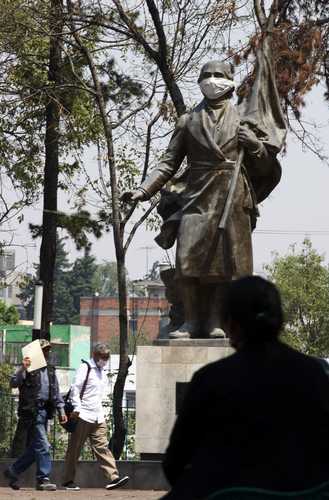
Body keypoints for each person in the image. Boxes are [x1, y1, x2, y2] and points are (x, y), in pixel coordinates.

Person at [122, 61, 283, 339]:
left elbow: (267, 166)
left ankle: (216, 322)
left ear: (229, 82)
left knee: (224, 265)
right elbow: (168, 163)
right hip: (197, 196)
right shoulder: (188, 121)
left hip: (232, 197)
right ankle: (190, 321)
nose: (211, 80)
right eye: (206, 76)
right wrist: (143, 191)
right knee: (188, 262)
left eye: (217, 75)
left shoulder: (244, 120)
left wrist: (254, 144)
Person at [161, 276, 329, 499]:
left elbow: (174, 463)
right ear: (280, 321)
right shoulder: (316, 373)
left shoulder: (210, 380)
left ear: (230, 324)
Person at [62, 343, 129, 491]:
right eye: (103, 357)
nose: (105, 360)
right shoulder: (85, 368)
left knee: (102, 447)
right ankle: (68, 481)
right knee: (75, 449)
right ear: (95, 355)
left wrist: (102, 413)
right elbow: (75, 389)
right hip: (83, 415)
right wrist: (77, 408)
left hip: (98, 416)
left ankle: (113, 477)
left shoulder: (102, 372)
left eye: (107, 357)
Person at [3, 338, 67, 491]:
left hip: (46, 411)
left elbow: (56, 393)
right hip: (32, 412)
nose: (46, 353)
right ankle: (43, 479)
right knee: (44, 445)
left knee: (36, 448)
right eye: (43, 350)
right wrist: (22, 368)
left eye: (47, 350)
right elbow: (13, 383)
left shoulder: (51, 370)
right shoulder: (28, 368)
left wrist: (61, 410)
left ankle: (13, 471)